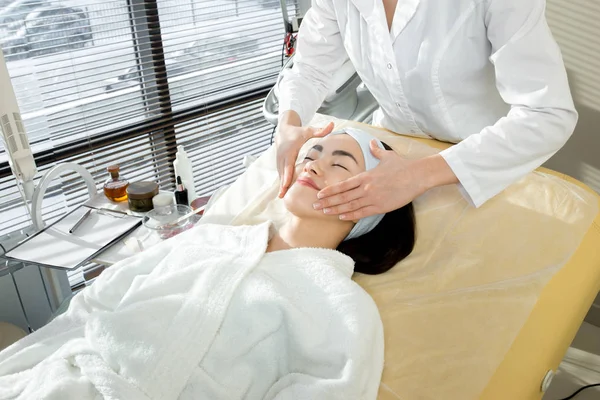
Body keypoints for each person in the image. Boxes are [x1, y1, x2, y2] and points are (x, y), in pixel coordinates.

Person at [0, 130, 415, 400]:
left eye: (340, 164)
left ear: (371, 209)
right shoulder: (213, 235)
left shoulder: (342, 306)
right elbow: (92, 307)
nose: (313, 164)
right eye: (312, 153)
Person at [276, 0, 576, 221]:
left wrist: (418, 175)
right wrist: (289, 125)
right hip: (390, 152)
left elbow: (548, 114)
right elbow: (309, 70)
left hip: (481, 160)